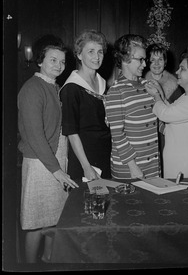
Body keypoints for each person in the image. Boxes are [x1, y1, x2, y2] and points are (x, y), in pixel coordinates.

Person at [18, 34, 79, 263]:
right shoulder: (32, 88)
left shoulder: (53, 87)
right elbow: (34, 136)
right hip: (40, 163)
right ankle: (29, 266)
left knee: (55, 219)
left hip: (56, 159)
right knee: (35, 223)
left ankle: (49, 260)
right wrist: (56, 170)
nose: (59, 65)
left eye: (62, 61)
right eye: (53, 60)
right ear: (40, 61)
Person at [145, 46, 188, 179]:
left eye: (182, 69)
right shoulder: (187, 97)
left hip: (186, 164)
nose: (177, 72)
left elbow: (165, 114)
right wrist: (161, 95)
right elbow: (171, 112)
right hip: (177, 161)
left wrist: (156, 96)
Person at [104, 34, 161, 179]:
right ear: (125, 59)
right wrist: (133, 167)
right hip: (130, 168)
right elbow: (118, 135)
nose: (145, 64)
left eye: (144, 59)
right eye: (140, 60)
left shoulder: (147, 85)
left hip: (152, 164)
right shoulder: (116, 91)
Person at [60, 29, 112, 182]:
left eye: (100, 52)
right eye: (90, 51)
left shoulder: (102, 83)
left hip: (104, 152)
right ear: (79, 55)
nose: (97, 57)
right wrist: (86, 166)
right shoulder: (71, 88)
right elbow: (71, 132)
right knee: (88, 203)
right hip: (84, 157)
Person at [144, 43, 183, 167]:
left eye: (160, 59)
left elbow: (178, 115)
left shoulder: (175, 86)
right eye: (152, 60)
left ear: (165, 62)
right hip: (146, 133)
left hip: (166, 135)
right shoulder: (141, 83)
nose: (156, 64)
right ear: (147, 62)